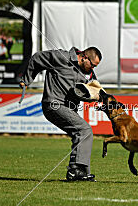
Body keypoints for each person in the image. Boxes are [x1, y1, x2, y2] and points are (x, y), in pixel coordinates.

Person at [20, 47, 102, 182]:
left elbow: (93, 89)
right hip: (54, 105)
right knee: (84, 130)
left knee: (81, 132)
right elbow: (37, 58)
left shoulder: (89, 74)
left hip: (69, 108)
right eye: (92, 65)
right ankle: (75, 170)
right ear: (84, 57)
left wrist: (98, 96)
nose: (92, 68)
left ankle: (83, 172)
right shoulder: (62, 57)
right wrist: (27, 80)